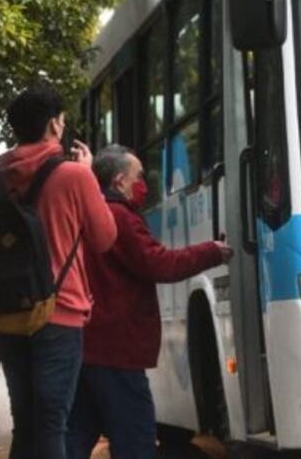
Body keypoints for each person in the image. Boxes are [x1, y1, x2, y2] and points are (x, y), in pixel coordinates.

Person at [0, 85, 117, 459]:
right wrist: (89, 176)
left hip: (8, 318)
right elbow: (105, 238)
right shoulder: (75, 176)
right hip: (60, 313)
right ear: (54, 125)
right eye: (63, 121)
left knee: (25, 424)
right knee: (53, 423)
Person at [66, 145, 233, 459]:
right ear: (119, 180)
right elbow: (159, 264)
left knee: (75, 439)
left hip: (88, 347)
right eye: (139, 176)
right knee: (135, 442)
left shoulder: (89, 213)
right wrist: (211, 251)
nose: (144, 184)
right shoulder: (119, 216)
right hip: (118, 350)